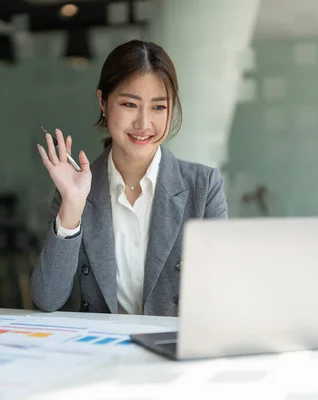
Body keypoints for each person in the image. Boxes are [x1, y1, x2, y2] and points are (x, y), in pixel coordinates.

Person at [31, 40, 228, 316]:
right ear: (103, 101)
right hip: (99, 352)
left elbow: (221, 297)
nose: (144, 123)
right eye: (129, 104)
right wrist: (72, 210)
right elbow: (48, 299)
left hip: (174, 352)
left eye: (159, 107)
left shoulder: (204, 187)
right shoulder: (77, 189)